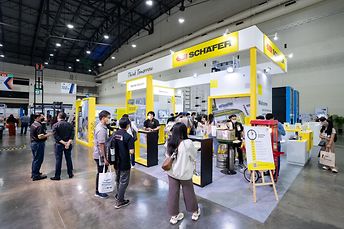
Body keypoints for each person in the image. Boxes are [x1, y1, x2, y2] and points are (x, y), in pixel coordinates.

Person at [165, 122, 200, 225]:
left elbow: (167, 155)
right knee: (188, 192)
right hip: (184, 173)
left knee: (173, 193)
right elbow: (194, 156)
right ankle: (194, 213)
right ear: (184, 131)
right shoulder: (188, 143)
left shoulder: (169, 142)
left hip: (171, 172)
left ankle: (174, 217)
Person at [112, 118, 135, 209]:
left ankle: (118, 195)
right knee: (124, 181)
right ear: (128, 125)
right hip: (124, 161)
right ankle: (120, 201)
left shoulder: (115, 134)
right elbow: (131, 152)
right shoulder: (128, 137)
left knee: (118, 178)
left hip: (115, 161)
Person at [50, 112, 75, 180]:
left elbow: (56, 136)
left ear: (58, 117)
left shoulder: (55, 125)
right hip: (68, 144)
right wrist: (68, 143)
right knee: (68, 159)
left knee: (58, 160)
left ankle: (57, 176)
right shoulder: (70, 125)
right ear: (65, 117)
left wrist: (64, 143)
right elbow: (72, 135)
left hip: (59, 145)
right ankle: (70, 174)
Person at [94, 110, 111, 198]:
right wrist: (104, 158)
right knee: (101, 173)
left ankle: (100, 189)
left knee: (101, 172)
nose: (109, 119)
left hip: (100, 154)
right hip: (101, 156)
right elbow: (101, 145)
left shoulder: (102, 127)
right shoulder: (101, 130)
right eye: (108, 117)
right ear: (103, 118)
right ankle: (98, 191)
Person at [30, 113, 52, 181]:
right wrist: (49, 134)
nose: (43, 117)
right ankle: (36, 176)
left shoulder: (33, 124)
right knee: (39, 159)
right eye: (41, 116)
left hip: (34, 143)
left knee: (35, 159)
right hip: (38, 144)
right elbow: (40, 136)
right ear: (38, 117)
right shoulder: (39, 126)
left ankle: (34, 173)